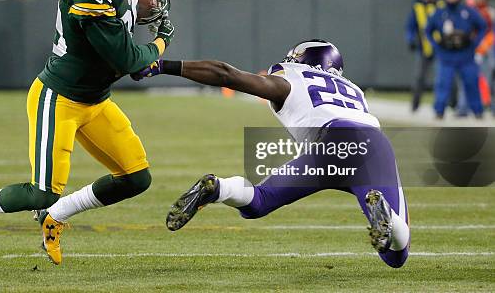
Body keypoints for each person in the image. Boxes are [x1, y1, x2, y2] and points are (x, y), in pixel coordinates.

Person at [0, 0, 175, 265]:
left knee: (136, 177)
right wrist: (163, 38)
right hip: (58, 98)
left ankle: (56, 216)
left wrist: (135, 4)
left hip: (95, 100)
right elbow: (130, 60)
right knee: (41, 191)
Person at [132, 40, 410, 268]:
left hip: (329, 146)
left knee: (258, 204)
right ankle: (382, 209)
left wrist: (162, 66)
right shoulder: (354, 89)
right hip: (370, 146)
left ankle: (220, 188)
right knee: (396, 255)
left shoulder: (290, 80)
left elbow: (225, 74)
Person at [425, 0, 487, 119]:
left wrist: (475, 43)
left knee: (471, 83)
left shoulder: (468, 11)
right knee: (443, 83)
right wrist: (436, 45)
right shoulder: (440, 12)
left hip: (466, 54)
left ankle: (478, 111)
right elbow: (428, 30)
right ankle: (439, 111)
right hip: (446, 55)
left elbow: (483, 26)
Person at [405, 0, 442, 111]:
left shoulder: (441, 6)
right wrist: (410, 39)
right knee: (419, 78)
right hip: (424, 48)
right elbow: (410, 27)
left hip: (440, 48)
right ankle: (415, 105)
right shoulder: (417, 7)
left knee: (442, 77)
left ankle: (444, 105)